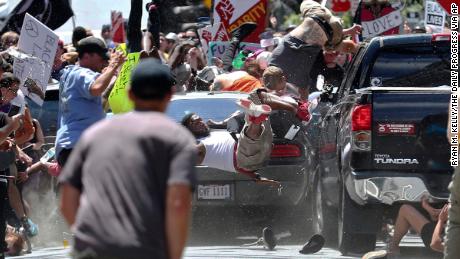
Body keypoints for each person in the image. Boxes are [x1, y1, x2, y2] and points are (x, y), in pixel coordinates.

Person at [59, 58, 197, 259]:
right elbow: (178, 203)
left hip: (91, 250)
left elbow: (67, 199)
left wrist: (88, 239)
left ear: (130, 93)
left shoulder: (94, 134)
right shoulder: (177, 138)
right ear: (169, 95)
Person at [55, 36, 125, 167]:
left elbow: (101, 98)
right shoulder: (81, 74)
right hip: (78, 145)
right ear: (86, 56)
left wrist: (113, 74)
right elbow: (96, 88)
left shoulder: (70, 74)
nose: (103, 63)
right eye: (101, 59)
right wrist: (113, 65)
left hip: (72, 145)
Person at [269, 0, 361, 100]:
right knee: (323, 37)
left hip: (328, 27)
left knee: (324, 39)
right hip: (326, 25)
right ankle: (361, 49)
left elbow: (303, 93)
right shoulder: (275, 58)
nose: (335, 54)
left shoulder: (297, 73)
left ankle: (360, 49)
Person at [363, 199, 448, 258]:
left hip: (440, 245)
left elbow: (435, 244)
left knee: (405, 209)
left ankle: (393, 247)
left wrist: (440, 221)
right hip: (446, 236)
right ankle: (393, 247)